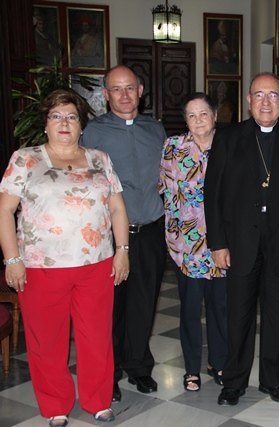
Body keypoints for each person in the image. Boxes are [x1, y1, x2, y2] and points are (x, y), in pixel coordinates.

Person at [0, 89, 129, 427]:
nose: (64, 123)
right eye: (56, 116)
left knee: (97, 337)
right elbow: (5, 211)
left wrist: (122, 251)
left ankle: (98, 400)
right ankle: (56, 403)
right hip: (42, 266)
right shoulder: (25, 159)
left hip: (96, 264)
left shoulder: (100, 159)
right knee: (47, 340)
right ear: (45, 124)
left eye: (71, 116)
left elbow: (117, 207)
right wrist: (12, 259)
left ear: (81, 125)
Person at [204, 72, 279, 406]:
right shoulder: (228, 137)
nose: (266, 102)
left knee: (276, 317)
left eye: (273, 95)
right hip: (239, 244)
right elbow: (213, 195)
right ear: (248, 100)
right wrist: (218, 243)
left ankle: (273, 380)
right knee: (237, 316)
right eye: (259, 95)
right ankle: (234, 382)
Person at [82, 65, 167, 402]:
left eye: (129, 87)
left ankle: (139, 367)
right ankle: (111, 370)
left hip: (149, 230)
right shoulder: (92, 133)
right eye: (116, 89)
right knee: (111, 307)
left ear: (141, 89)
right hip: (109, 236)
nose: (124, 95)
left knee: (144, 303)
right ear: (105, 95)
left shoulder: (156, 129)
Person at [158, 92, 227, 392]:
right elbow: (165, 189)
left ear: (214, 115)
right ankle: (190, 369)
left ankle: (220, 362)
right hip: (185, 244)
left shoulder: (229, 145)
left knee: (220, 308)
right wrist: (175, 234)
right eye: (191, 115)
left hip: (221, 243)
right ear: (185, 120)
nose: (198, 120)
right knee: (189, 309)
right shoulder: (173, 147)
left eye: (204, 113)